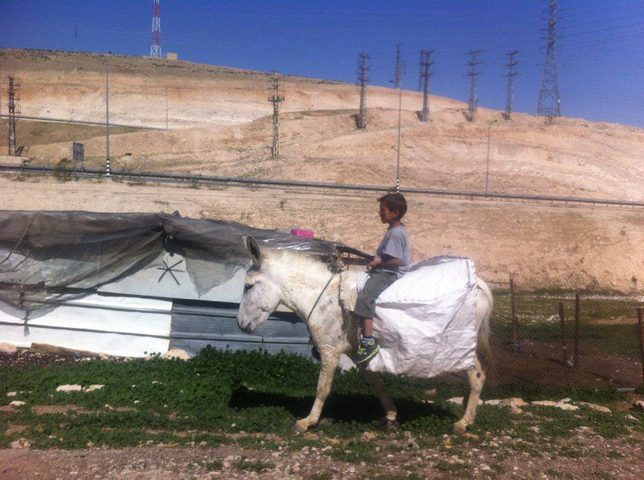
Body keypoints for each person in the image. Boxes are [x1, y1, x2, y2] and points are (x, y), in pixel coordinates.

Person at [352, 192, 411, 365]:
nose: (380, 213)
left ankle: (369, 341)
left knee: (365, 297)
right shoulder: (395, 230)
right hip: (384, 270)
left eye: (383, 210)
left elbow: (397, 260)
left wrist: (378, 262)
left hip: (388, 274)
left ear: (395, 213)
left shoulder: (395, 233)